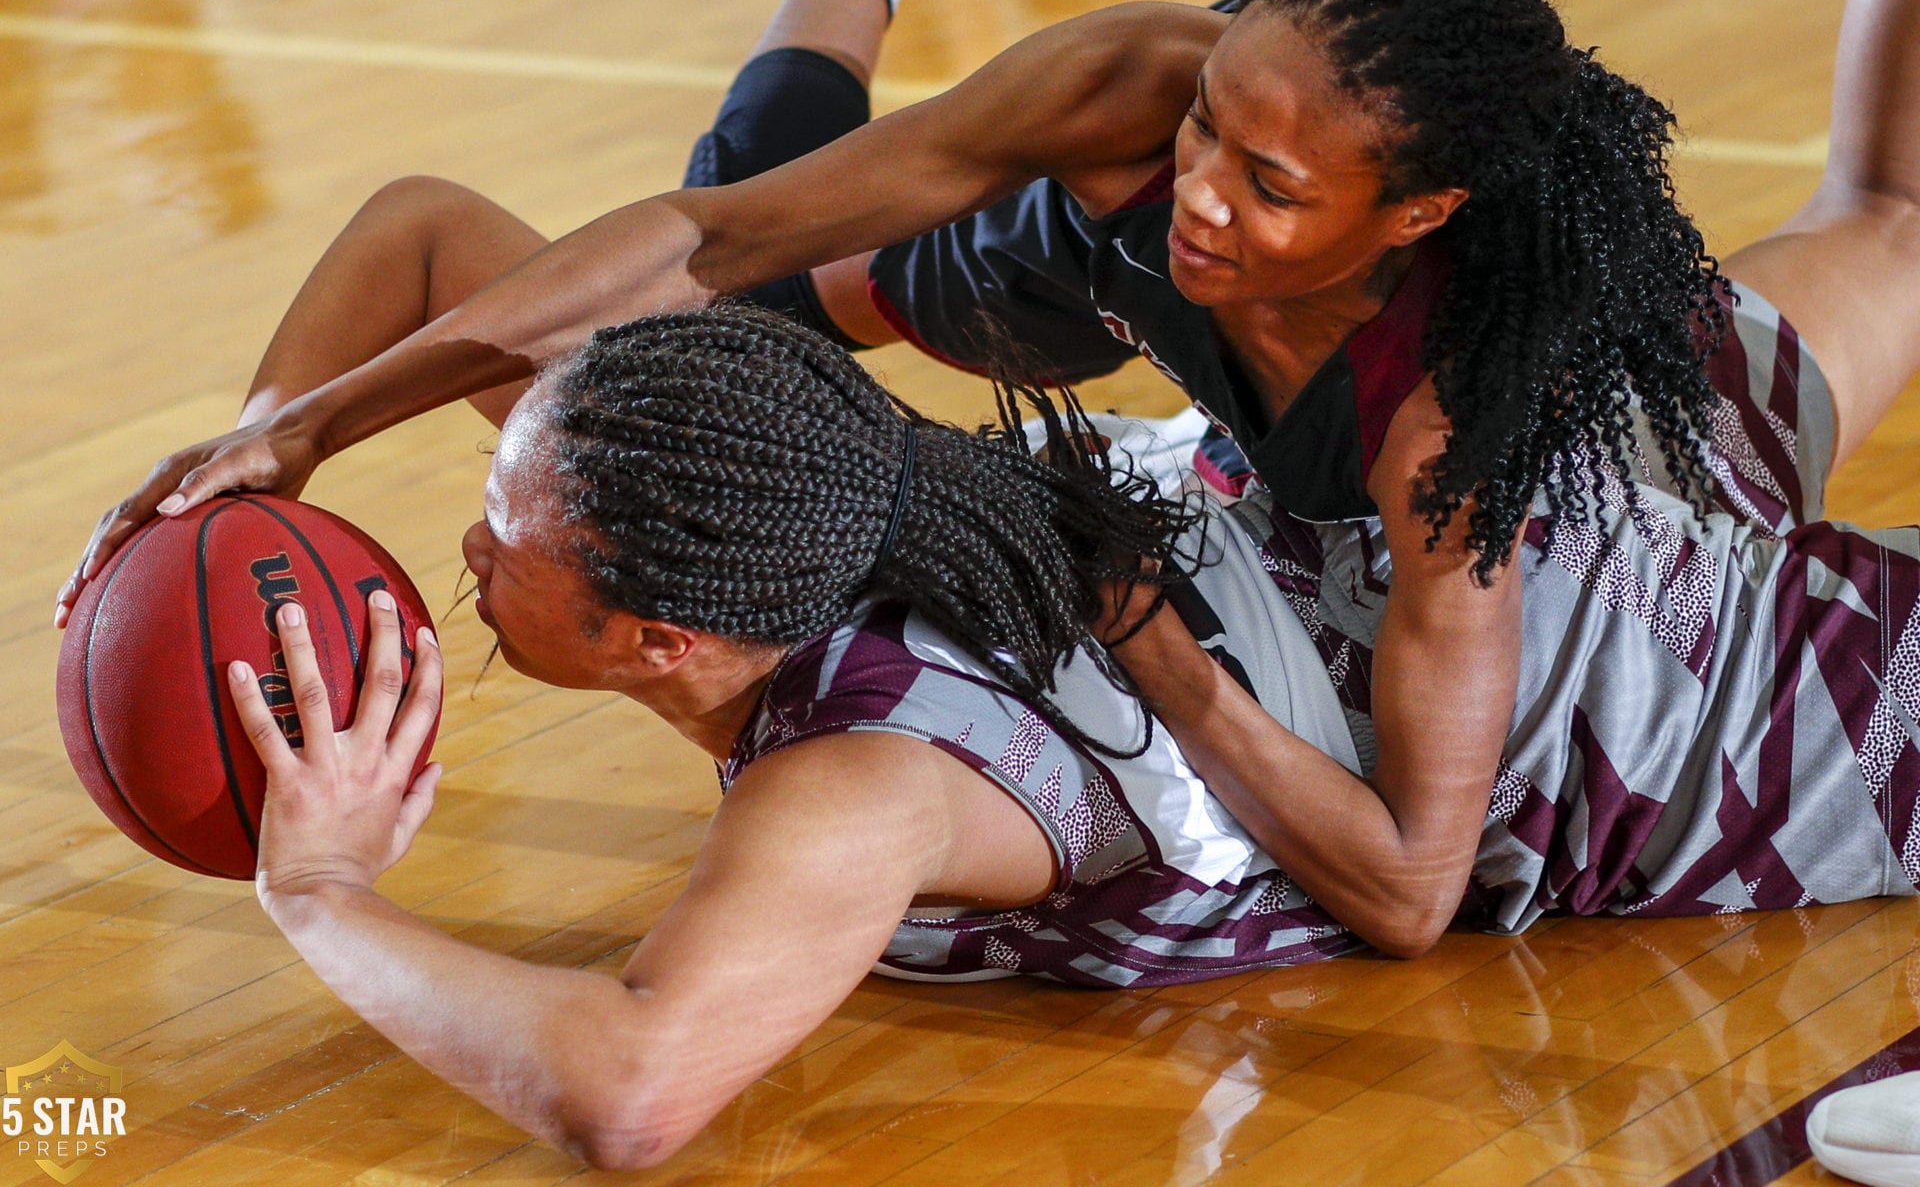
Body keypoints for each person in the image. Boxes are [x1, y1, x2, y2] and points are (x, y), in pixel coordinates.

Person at [235, 298, 1920, 1175]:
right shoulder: (774, 486)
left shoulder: (865, 776)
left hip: (1692, 718)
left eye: (495, 527)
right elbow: (430, 230)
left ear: (659, 641)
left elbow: (631, 1093)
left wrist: (320, 894)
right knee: (1889, 204)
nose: (465, 540)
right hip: (1507, 532)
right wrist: (258, 460)